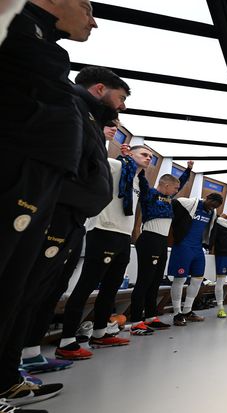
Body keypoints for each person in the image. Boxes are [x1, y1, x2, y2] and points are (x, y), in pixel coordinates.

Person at [8, 66, 123, 379]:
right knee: (21, 290)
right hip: (53, 213)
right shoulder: (69, 106)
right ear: (100, 89)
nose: (121, 107)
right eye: (120, 98)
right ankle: (10, 373)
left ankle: (21, 362)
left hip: (72, 218)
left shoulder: (88, 120)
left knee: (41, 290)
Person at [55, 144, 153, 360]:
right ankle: (67, 341)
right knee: (86, 286)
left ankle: (100, 333)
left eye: (151, 157)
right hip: (102, 230)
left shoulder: (139, 181)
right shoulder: (117, 165)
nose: (148, 159)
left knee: (111, 288)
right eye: (144, 154)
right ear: (129, 153)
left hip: (123, 236)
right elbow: (90, 162)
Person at [129, 161, 191, 334]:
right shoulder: (150, 194)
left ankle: (150, 317)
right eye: (174, 188)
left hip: (162, 242)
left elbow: (181, 181)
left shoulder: (169, 198)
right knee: (144, 280)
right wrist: (141, 170)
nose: (176, 191)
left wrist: (188, 170)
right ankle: (135, 322)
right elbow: (141, 180)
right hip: (149, 239)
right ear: (165, 185)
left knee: (155, 281)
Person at [167, 193, 223, 326]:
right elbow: (174, 202)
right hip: (183, 246)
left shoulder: (212, 212)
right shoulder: (190, 203)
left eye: (215, 207)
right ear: (207, 198)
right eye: (211, 204)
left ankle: (187, 311)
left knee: (198, 279)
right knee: (179, 279)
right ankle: (177, 314)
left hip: (198, 248)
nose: (212, 208)